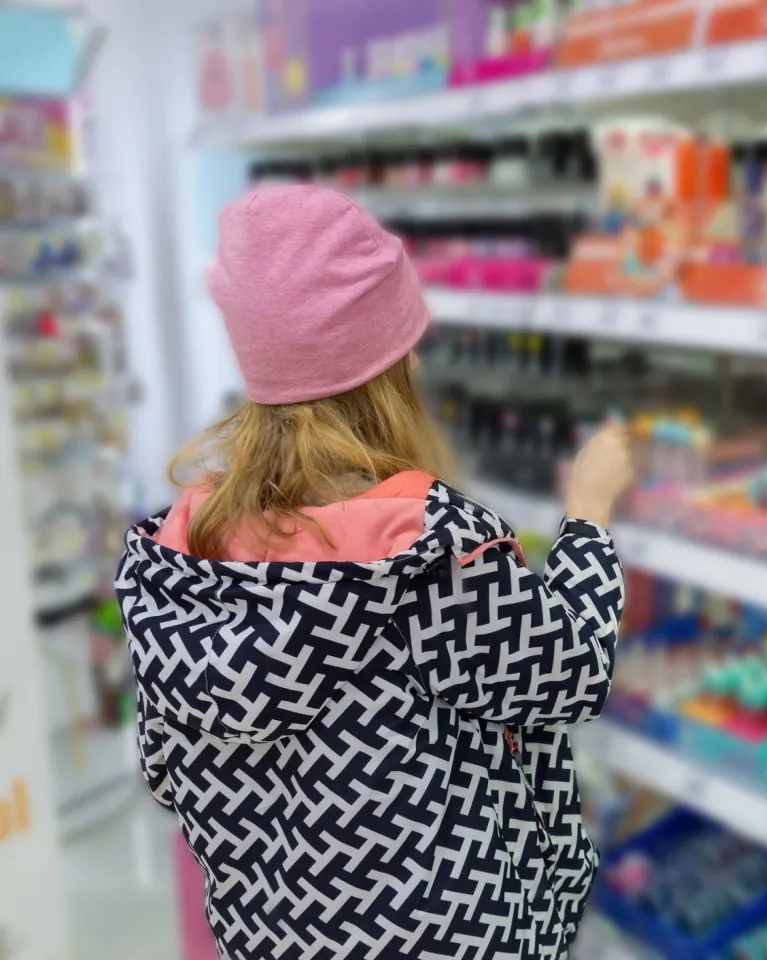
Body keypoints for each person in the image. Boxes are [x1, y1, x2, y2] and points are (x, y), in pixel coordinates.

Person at [116, 185, 634, 960]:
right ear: (381, 368)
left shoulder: (179, 558)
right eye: (404, 341)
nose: (418, 357)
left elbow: (166, 773)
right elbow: (568, 674)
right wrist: (588, 516)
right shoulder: (428, 549)